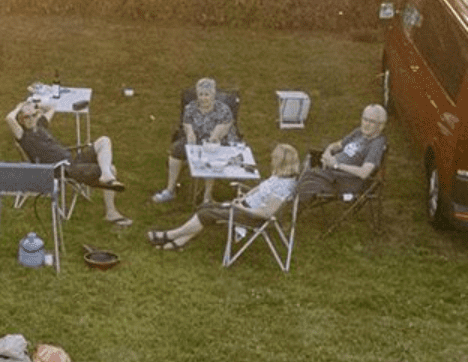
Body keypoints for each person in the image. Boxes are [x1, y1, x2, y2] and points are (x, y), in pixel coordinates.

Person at [146, 143, 301, 251]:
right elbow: (259, 189)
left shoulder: (284, 186)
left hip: (251, 216)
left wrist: (239, 207)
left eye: (275, 158)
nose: (271, 160)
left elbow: (266, 213)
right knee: (205, 207)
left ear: (283, 162)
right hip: (244, 206)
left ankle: (170, 235)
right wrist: (243, 197)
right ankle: (179, 241)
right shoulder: (280, 177)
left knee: (205, 213)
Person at [5, 98, 132, 227]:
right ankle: (111, 212)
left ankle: (106, 175)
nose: (31, 119)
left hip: (71, 161)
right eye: (27, 117)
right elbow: (9, 118)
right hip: (63, 170)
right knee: (111, 168)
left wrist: (35, 105)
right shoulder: (22, 135)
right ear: (21, 119)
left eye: (34, 115)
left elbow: (52, 106)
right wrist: (20, 106)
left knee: (104, 140)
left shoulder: (40, 124)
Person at [152, 77, 234, 204]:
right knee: (176, 150)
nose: (203, 98)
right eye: (200, 94)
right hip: (195, 140)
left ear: (213, 95)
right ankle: (170, 190)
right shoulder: (190, 107)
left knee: (211, 155)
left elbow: (224, 127)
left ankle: (207, 197)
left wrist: (215, 136)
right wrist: (190, 135)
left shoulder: (223, 109)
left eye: (207, 94)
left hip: (216, 142)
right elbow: (187, 125)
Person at [297, 104, 387, 206]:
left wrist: (336, 165)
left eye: (371, 122)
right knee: (306, 162)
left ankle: (290, 196)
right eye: (365, 119)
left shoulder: (377, 144)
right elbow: (337, 145)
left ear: (381, 126)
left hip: (343, 181)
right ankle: (290, 191)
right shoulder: (359, 132)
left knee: (305, 179)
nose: (366, 124)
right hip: (331, 171)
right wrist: (327, 152)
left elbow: (364, 172)